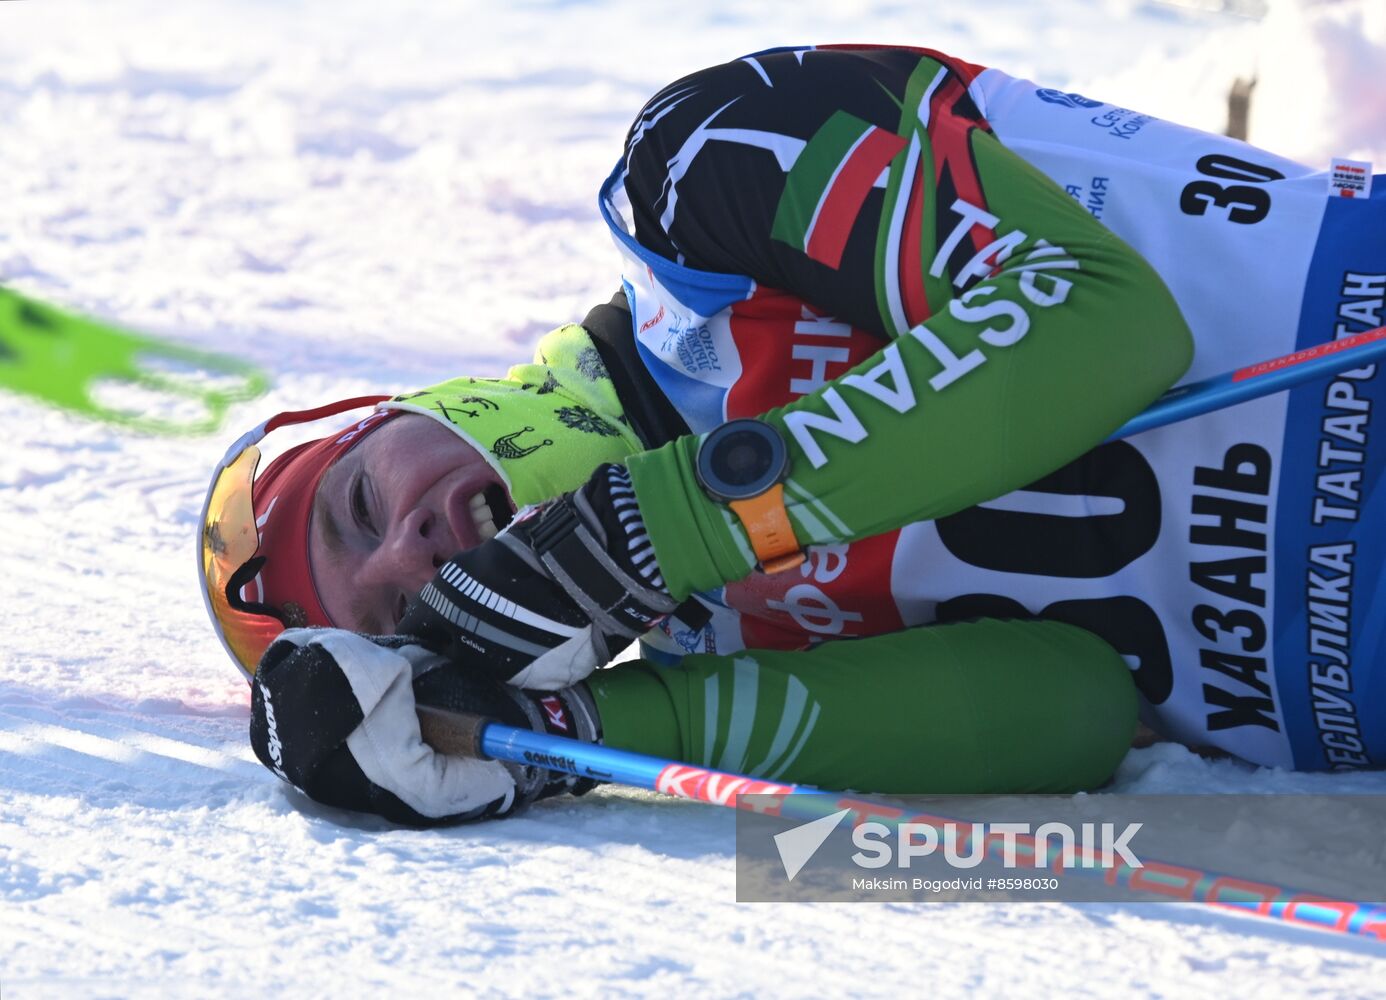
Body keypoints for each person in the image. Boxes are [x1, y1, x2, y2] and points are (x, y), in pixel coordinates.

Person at [199, 44, 1385, 826]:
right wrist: (569, 731)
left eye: (361, 505)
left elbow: (1106, 322)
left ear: (411, 407)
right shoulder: (710, 636)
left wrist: (650, 532)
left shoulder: (691, 182)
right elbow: (1075, 705)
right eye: (404, 614)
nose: (412, 554)